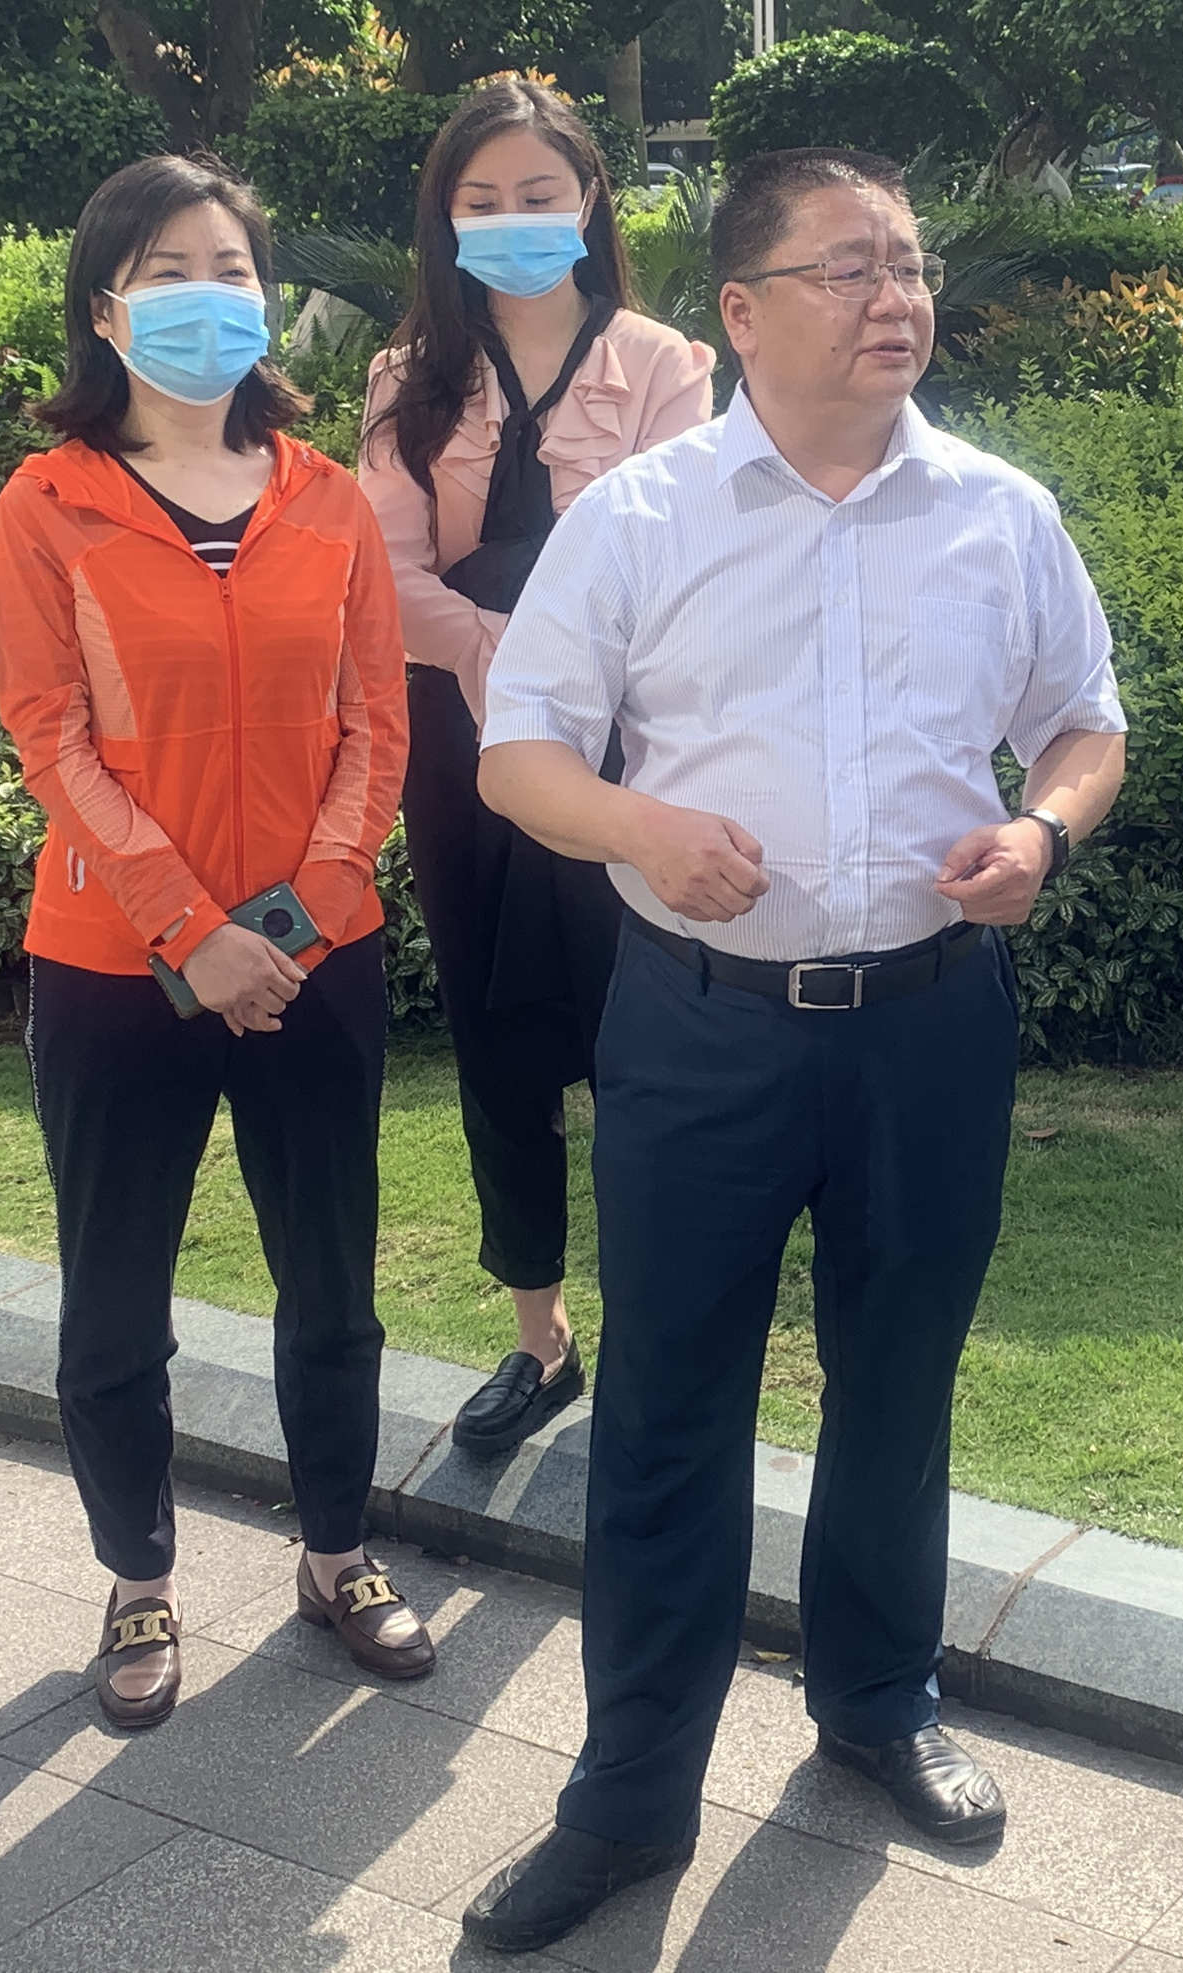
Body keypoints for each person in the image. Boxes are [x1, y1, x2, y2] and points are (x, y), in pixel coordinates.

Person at [454, 148, 1128, 1953]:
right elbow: (519, 754)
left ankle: (880, 1703)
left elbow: (1086, 722)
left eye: (907, 263)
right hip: (699, 1030)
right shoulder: (640, 519)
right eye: (848, 267)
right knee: (667, 1413)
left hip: (929, 1025)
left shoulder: (1000, 513)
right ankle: (626, 1796)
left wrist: (1042, 830)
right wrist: (641, 830)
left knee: (897, 1385)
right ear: (741, 312)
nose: (894, 296)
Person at [0, 154, 428, 1734]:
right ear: (106, 308)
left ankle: (337, 1551)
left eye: (229, 268)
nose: (205, 297)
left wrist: (291, 916)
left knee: (333, 1282)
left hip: (316, 958)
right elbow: (51, 735)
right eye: (167, 272)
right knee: (116, 1302)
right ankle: (138, 1576)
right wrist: (190, 927)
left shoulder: (327, 498)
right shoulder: (50, 503)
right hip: (116, 965)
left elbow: (377, 723)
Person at [358, 76, 714, 1458]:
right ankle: (539, 1338)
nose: (511, 218)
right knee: (494, 1031)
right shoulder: (407, 377)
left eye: (538, 194)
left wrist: (560, 660)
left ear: (588, 201)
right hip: (460, 739)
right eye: (482, 199)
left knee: (638, 1032)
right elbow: (385, 574)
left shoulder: (664, 365)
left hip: (625, 740)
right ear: (446, 217)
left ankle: (650, 1339)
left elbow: (675, 559)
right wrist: (496, 648)